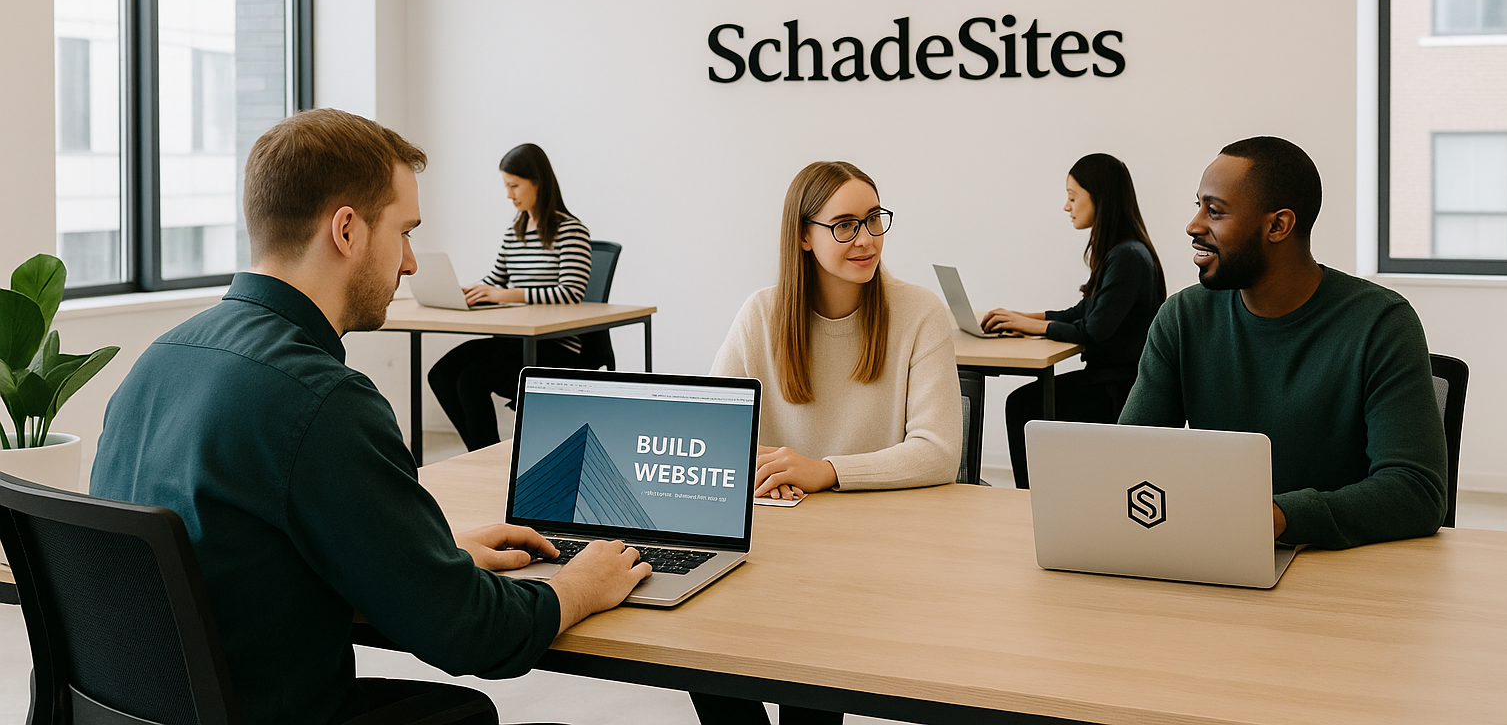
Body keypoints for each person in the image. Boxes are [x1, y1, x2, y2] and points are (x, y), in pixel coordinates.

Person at [90, 109, 650, 725]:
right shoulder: (321, 400)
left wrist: (428, 557)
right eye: (404, 232)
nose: (410, 262)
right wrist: (578, 584)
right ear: (347, 231)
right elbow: (474, 632)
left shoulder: (158, 360)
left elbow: (241, 546)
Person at [694, 160, 962, 725]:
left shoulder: (919, 313)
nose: (866, 239)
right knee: (696, 644)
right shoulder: (762, 313)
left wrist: (827, 470)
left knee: (807, 689)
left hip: (867, 552)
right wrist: (757, 468)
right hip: (773, 538)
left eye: (874, 220)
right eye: (844, 225)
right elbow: (711, 428)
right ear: (803, 236)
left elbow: (938, 451)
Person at [1120, 136, 1448, 549]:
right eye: (1198, 206)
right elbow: (1128, 460)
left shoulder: (1381, 323)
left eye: (1215, 211)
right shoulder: (1183, 317)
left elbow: (1416, 491)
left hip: (1340, 566)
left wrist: (1275, 517)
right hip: (1219, 551)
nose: (1194, 225)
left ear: (1278, 226)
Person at [982, 153, 1166, 489]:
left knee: (1022, 404)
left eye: (1072, 197)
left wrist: (1030, 326)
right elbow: (1082, 313)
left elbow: (1094, 330)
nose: (1067, 207)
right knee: (1026, 402)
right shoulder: (1121, 251)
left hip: (1118, 390)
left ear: (1099, 198)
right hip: (1109, 381)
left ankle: (1028, 503)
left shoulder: (1127, 256)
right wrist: (1021, 317)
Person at [429, 143, 595, 451]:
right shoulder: (514, 231)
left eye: (514, 186)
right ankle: (480, 454)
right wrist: (468, 291)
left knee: (472, 380)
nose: (509, 195)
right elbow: (496, 279)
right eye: (506, 186)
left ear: (538, 182)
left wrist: (506, 294)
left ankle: (484, 457)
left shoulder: (571, 231)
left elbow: (571, 292)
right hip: (513, 340)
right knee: (441, 373)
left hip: (553, 346)